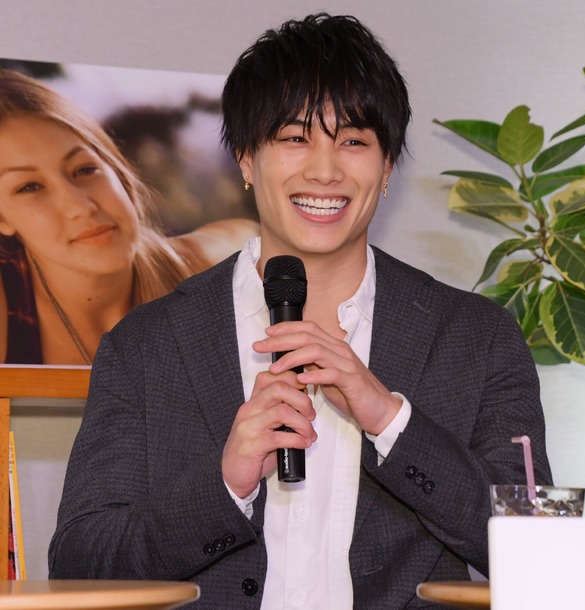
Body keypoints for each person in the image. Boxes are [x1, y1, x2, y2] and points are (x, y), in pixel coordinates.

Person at [49, 13, 553, 609]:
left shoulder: (477, 336)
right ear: (245, 159)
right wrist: (224, 483)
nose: (325, 170)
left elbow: (539, 553)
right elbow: (81, 563)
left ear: (387, 167)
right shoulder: (147, 343)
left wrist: (389, 420)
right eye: (294, 138)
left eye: (354, 141)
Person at [0, 69, 258, 365]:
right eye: (29, 187)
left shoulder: (210, 267)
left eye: (84, 169)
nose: (80, 207)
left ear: (117, 171)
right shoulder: (10, 302)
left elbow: (247, 238)